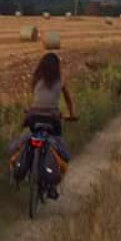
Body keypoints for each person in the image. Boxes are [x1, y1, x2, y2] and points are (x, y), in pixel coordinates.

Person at [22, 52, 76, 197]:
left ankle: (29, 167)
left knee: (31, 137)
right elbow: (69, 101)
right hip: (52, 118)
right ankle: (52, 184)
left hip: (33, 115)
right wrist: (71, 115)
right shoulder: (60, 80)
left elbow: (33, 98)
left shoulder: (36, 79)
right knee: (57, 145)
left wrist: (30, 109)